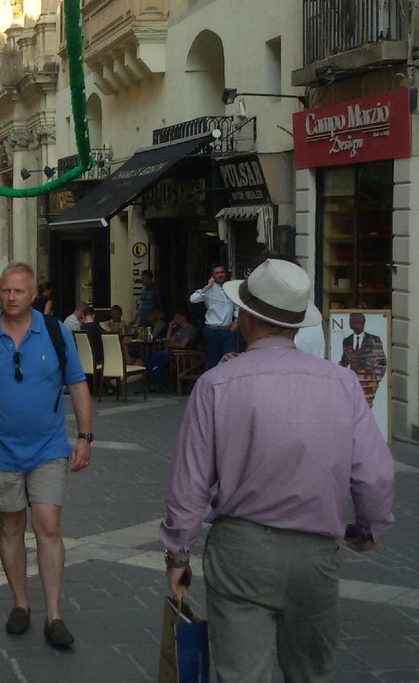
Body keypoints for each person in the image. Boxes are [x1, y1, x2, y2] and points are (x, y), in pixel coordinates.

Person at [161, 258, 395, 683]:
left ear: (247, 317)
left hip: (241, 549)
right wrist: (368, 529)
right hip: (315, 551)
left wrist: (178, 552)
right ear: (296, 324)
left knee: (240, 673)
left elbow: (189, 483)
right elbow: (375, 474)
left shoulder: (216, 383)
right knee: (310, 673)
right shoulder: (342, 383)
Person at [0, 262, 92, 648]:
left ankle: (54, 614)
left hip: (48, 447)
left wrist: (85, 437)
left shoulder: (55, 331)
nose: (11, 297)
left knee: (48, 524)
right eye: (5, 290)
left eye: (19, 291)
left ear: (34, 295)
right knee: (11, 527)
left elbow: (78, 384)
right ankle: (20, 604)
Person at [189, 263, 238, 369]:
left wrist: (236, 320)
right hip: (213, 330)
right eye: (217, 273)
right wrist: (207, 286)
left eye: (222, 272)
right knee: (213, 361)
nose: (220, 275)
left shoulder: (230, 288)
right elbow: (193, 299)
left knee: (230, 359)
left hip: (228, 330)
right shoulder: (209, 290)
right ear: (212, 276)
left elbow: (237, 305)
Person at [138, 310, 196, 390]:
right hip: (169, 353)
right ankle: (150, 376)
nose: (175, 319)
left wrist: (170, 345)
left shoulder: (189, 329)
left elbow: (183, 345)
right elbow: (166, 343)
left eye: (177, 317)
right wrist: (170, 328)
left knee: (156, 357)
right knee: (147, 358)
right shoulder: (178, 330)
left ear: (183, 317)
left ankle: (153, 377)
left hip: (180, 355)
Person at [338, 312, 388, 407]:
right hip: (352, 385)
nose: (351, 324)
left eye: (354, 322)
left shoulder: (374, 340)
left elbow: (382, 363)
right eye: (351, 322)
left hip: (368, 385)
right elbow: (344, 361)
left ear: (362, 323)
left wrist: (375, 383)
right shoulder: (347, 341)